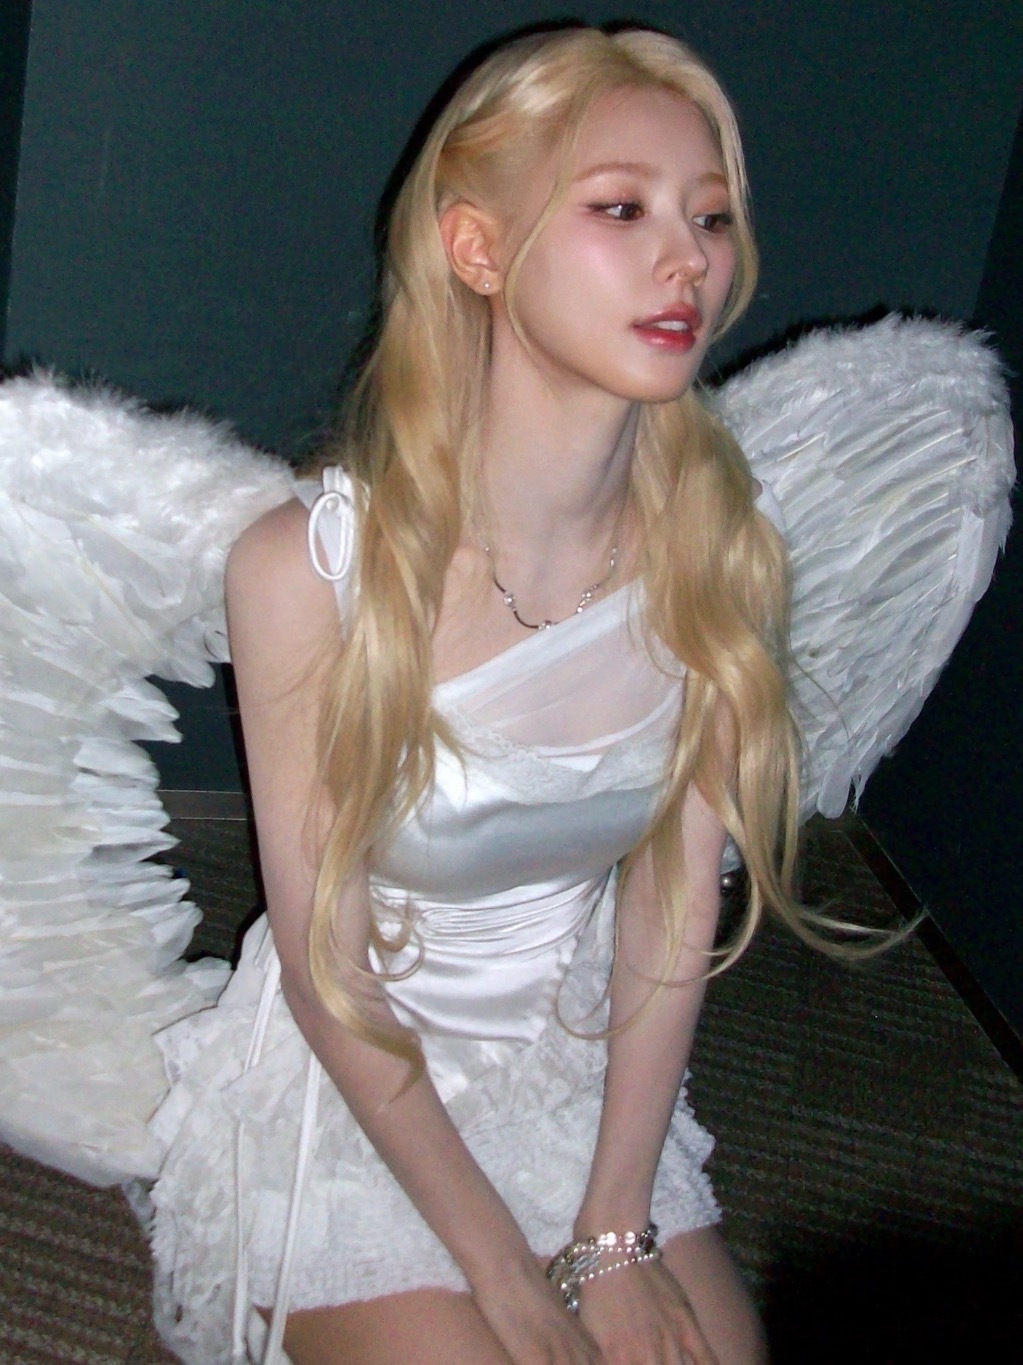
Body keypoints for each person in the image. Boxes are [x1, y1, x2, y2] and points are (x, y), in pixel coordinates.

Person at [147, 24, 799, 1365]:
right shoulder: (306, 571)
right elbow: (329, 970)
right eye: (620, 208)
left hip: (570, 1061)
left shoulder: (720, 552)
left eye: (709, 216)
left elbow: (671, 911)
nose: (688, 258)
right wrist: (504, 1272)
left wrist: (612, 1227)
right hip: (354, 1085)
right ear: (477, 250)